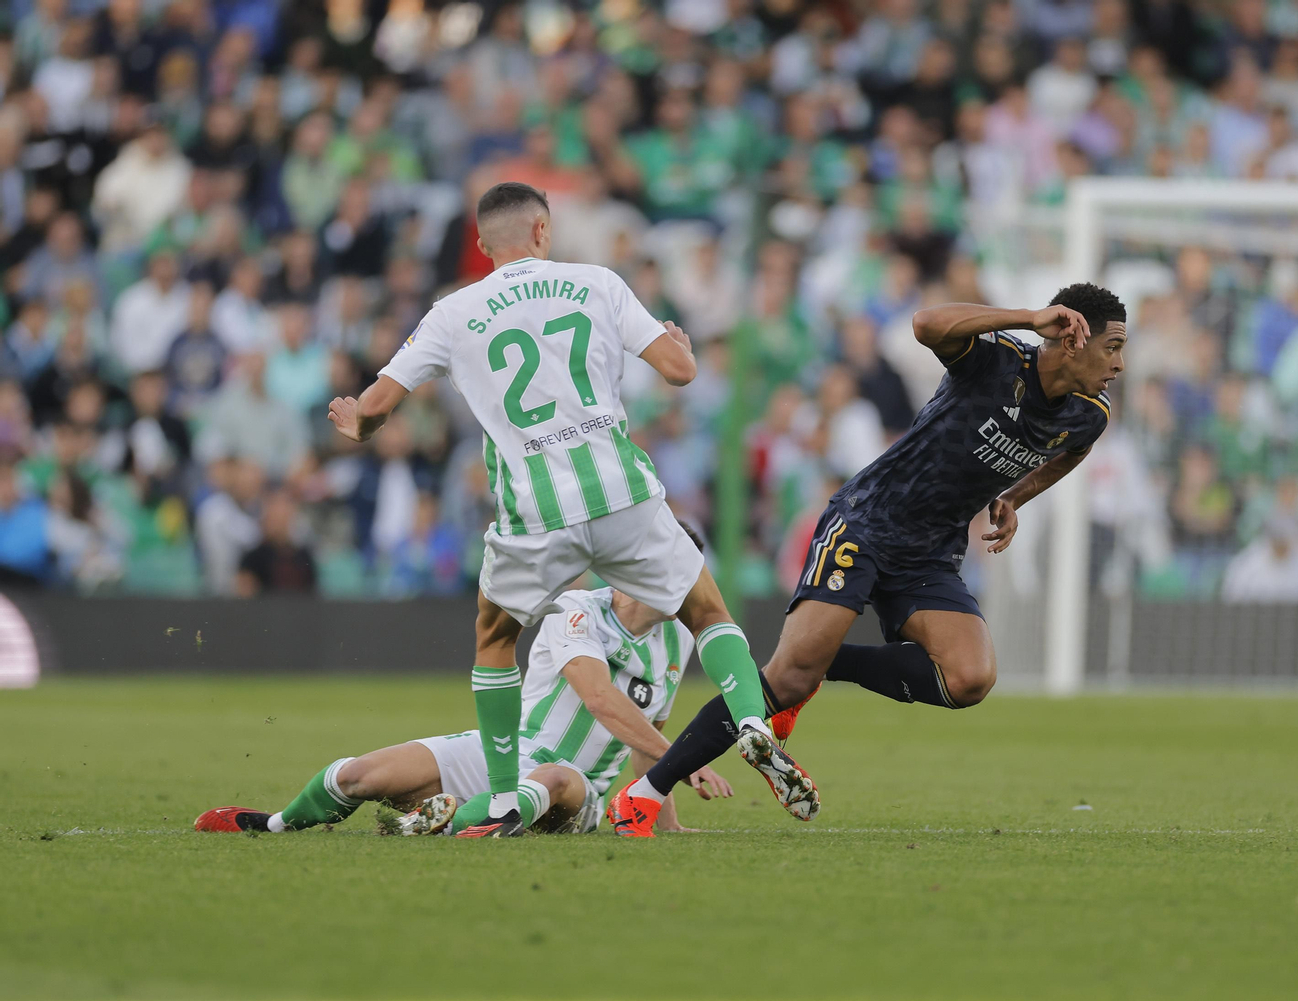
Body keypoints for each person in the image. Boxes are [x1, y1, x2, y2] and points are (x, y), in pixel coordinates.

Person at [327, 182, 807, 839]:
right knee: (706, 611)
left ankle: (500, 797)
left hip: (535, 509)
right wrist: (684, 348)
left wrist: (356, 422)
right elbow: (679, 372)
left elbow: (377, 407)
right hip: (620, 492)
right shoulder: (598, 283)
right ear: (544, 231)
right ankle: (750, 720)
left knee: (496, 640)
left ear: (481, 245)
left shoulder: (452, 311)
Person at [609, 283, 1125, 838]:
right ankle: (644, 794)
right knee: (786, 676)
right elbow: (926, 324)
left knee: (969, 678)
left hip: (931, 552)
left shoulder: (1090, 414)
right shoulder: (998, 360)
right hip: (867, 523)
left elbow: (1073, 448)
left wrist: (1016, 496)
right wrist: (1028, 317)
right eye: (1113, 346)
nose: (1119, 363)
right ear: (1072, 337)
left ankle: (829, 663)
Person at [193, 578, 733, 838]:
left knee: (557, 778)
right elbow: (599, 697)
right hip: (503, 755)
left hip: (577, 791)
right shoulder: (578, 613)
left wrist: (668, 821)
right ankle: (276, 825)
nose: (691, 591)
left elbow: (645, 738)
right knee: (362, 776)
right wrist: (686, 758)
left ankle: (430, 827)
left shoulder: (678, 643)